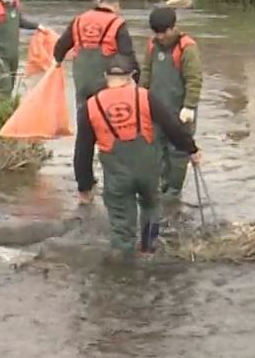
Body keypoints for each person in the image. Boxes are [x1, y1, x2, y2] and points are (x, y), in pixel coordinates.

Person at [76, 57, 202, 258]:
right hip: (148, 172)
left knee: (121, 225)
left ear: (105, 77)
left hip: (117, 176)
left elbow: (83, 150)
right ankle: (148, 250)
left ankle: (123, 269)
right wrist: (191, 150)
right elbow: (172, 126)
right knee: (151, 206)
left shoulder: (90, 106)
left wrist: (84, 185)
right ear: (132, 76)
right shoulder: (145, 96)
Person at [141, 6, 203, 198]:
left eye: (163, 32)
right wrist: (140, 97)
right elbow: (146, 72)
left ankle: (174, 192)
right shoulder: (152, 45)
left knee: (178, 153)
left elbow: (194, 79)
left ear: (172, 28)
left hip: (179, 110)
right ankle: (161, 185)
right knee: (156, 149)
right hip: (155, 109)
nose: (160, 36)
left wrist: (189, 106)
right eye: (156, 32)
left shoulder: (187, 48)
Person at [53, 0, 136, 102]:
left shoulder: (79, 19)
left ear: (99, 2)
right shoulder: (117, 22)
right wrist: (136, 76)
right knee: (103, 110)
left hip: (81, 77)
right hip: (105, 78)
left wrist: (57, 60)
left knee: (82, 111)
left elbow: (62, 44)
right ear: (116, 4)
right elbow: (127, 53)